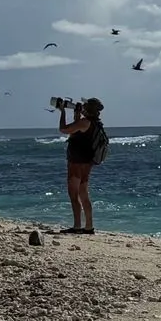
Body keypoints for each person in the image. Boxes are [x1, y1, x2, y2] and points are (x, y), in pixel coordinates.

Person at [57, 97, 105, 234]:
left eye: (84, 106)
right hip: (86, 162)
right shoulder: (95, 123)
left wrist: (62, 111)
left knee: (73, 194)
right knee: (83, 194)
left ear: (88, 109)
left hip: (76, 162)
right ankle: (89, 226)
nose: (82, 107)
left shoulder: (85, 122)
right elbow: (75, 131)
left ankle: (77, 226)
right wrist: (76, 114)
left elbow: (64, 129)